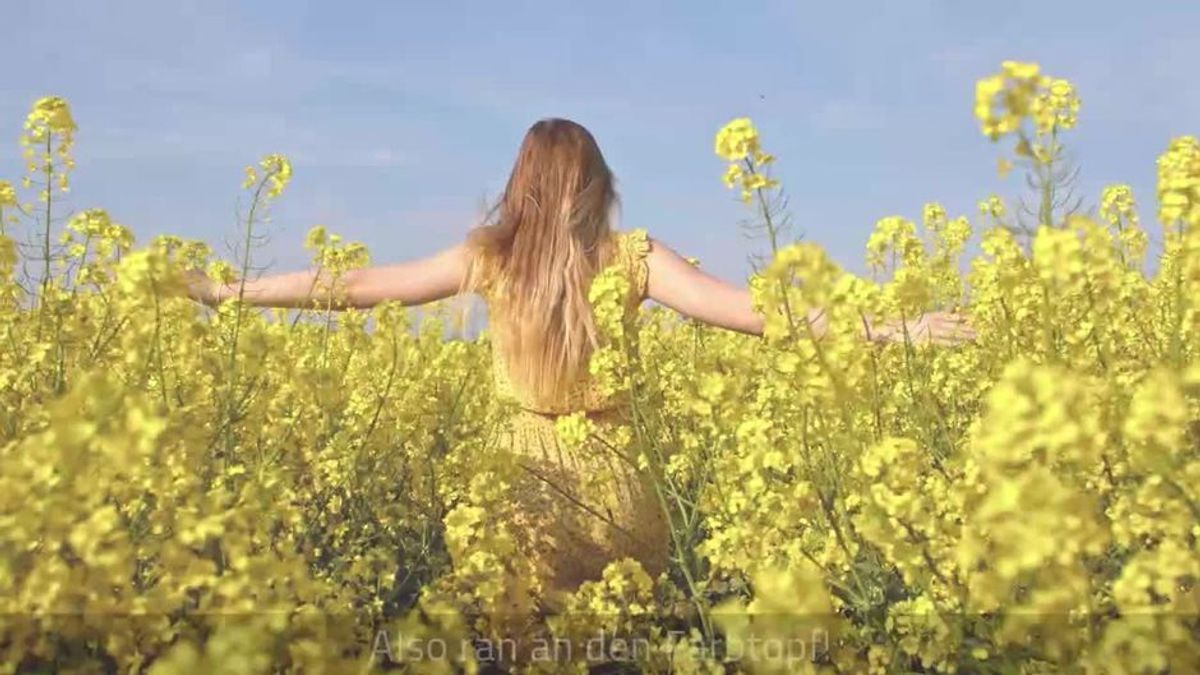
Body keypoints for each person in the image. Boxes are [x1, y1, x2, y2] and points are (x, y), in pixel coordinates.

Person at [185, 118, 973, 621]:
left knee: (517, 640)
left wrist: (230, 291)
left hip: (520, 483)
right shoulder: (633, 257)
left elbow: (354, 289)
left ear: (520, 185)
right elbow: (753, 312)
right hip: (619, 485)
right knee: (622, 642)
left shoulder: (487, 258)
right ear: (599, 186)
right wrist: (890, 327)